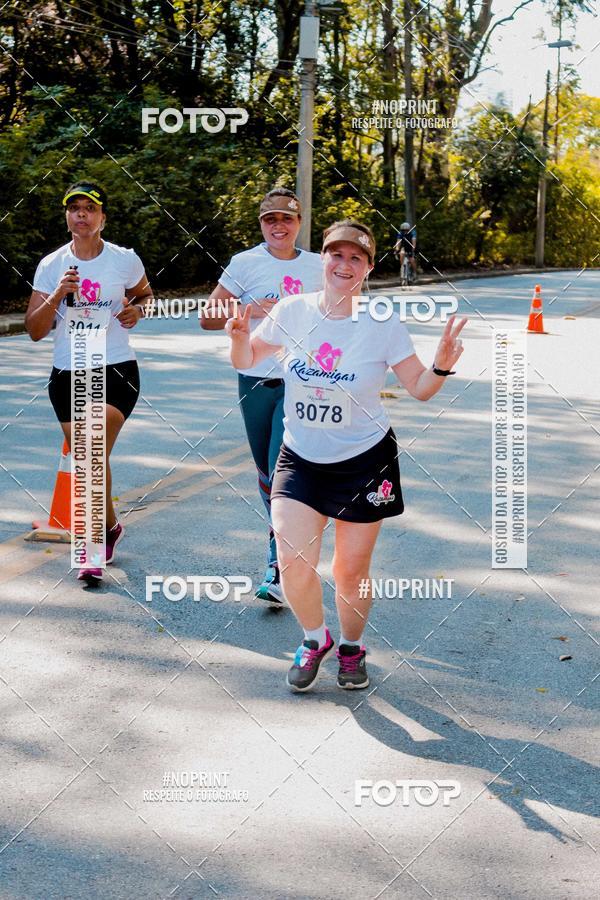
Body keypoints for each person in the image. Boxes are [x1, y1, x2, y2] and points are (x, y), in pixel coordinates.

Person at [227, 219, 466, 692]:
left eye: (355, 257)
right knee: (293, 561)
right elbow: (247, 360)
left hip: (364, 460)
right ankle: (316, 639)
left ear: (368, 268)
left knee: (349, 570)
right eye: (336, 254)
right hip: (300, 458)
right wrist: (238, 336)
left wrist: (441, 364)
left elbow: (419, 388)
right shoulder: (293, 312)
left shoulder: (382, 323)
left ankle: (353, 649)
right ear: (323, 260)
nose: (344, 263)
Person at [25, 181, 153, 585]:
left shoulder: (123, 260)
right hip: (67, 372)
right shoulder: (51, 265)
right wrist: (57, 294)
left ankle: (90, 547)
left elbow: (145, 296)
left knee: (90, 452)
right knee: (90, 460)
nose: (81, 214)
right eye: (74, 208)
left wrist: (136, 310)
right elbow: (34, 330)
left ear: (103, 217)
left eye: (89, 208)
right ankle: (110, 526)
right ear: (67, 217)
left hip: (115, 368)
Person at [201, 188, 322, 606]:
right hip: (253, 380)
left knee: (280, 469)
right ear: (261, 224)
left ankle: (276, 565)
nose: (278, 226)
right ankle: (289, 547)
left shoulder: (318, 267)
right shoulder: (244, 264)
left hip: (300, 383)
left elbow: (345, 317)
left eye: (286, 219)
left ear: (299, 223)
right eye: (270, 219)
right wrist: (252, 309)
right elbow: (207, 318)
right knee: (267, 476)